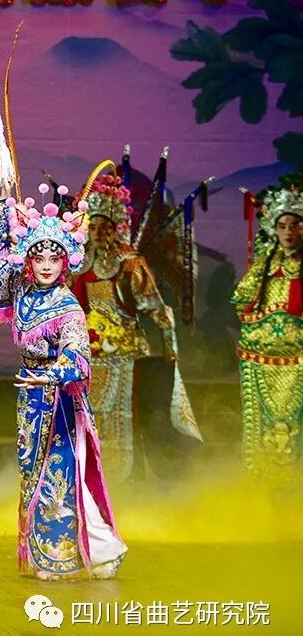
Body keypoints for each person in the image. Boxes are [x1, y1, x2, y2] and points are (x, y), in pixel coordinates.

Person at [0, 183, 127, 580]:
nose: (46, 265)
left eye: (54, 257)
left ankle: (70, 554)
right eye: (38, 256)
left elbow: (78, 358)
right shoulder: (23, 290)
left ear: (65, 262)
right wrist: (2, 222)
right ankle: (60, 552)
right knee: (32, 473)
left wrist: (49, 374)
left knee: (59, 474)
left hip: (59, 401)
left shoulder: (67, 306)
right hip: (31, 398)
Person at [70, 172, 200, 479]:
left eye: (105, 227)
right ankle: (90, 478)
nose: (98, 232)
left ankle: (132, 478)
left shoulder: (129, 263)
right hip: (88, 357)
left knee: (130, 417)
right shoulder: (79, 264)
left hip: (125, 357)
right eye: (93, 226)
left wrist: (170, 348)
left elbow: (156, 308)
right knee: (87, 418)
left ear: (116, 228)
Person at [232, 171, 303, 482]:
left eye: (295, 225)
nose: (288, 232)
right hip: (262, 361)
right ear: (274, 229)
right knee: (264, 421)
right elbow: (240, 300)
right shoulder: (265, 265)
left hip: (300, 360)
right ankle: (268, 479)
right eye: (282, 226)